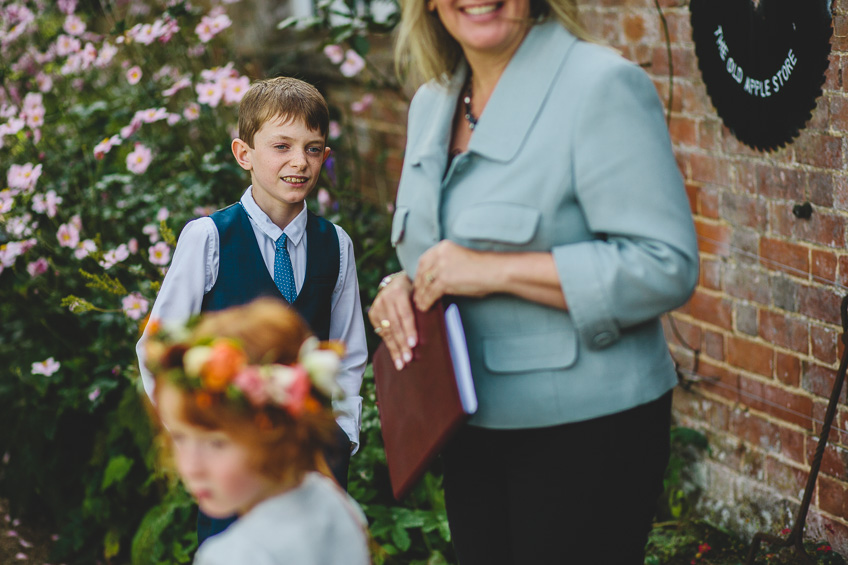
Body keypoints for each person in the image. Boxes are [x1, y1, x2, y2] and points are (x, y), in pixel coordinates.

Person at [368, 0, 700, 562]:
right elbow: (439, 244)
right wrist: (400, 284)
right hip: (467, 426)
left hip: (586, 430)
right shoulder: (432, 102)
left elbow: (665, 265)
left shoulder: (599, 85)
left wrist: (493, 271)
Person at [136, 76, 367, 545]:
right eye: (281, 146)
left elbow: (348, 352)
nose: (299, 162)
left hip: (311, 465)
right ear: (245, 154)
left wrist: (340, 437)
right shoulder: (208, 239)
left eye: (314, 148)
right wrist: (200, 439)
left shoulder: (335, 245)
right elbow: (159, 347)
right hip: (235, 467)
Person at [144, 298, 371, 565]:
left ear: (278, 432)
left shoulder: (236, 556)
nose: (191, 467)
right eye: (180, 438)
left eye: (216, 443)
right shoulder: (335, 503)